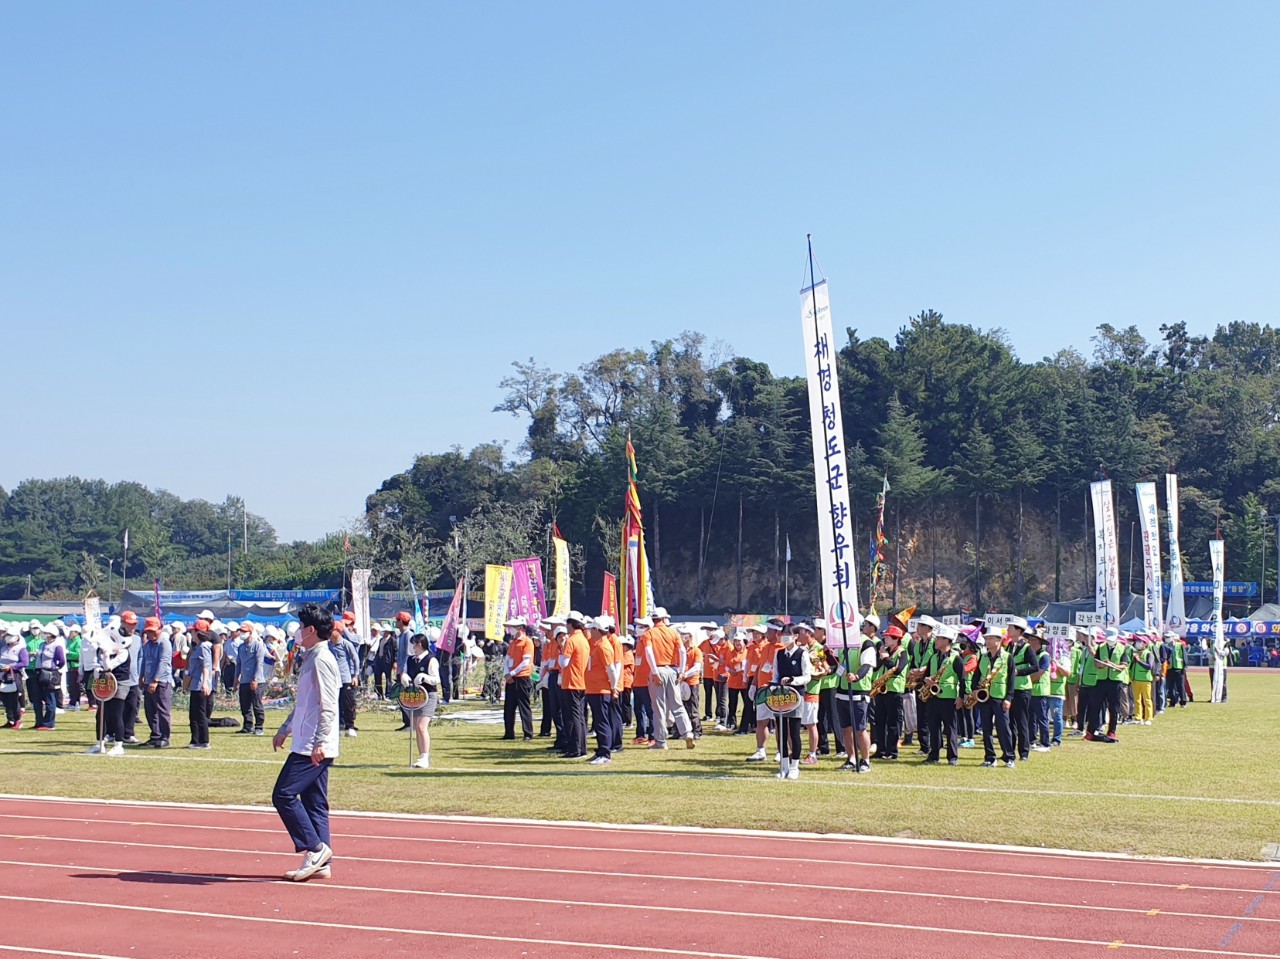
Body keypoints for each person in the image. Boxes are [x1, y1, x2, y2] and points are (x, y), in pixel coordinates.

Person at [272, 603, 340, 882]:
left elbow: (328, 705)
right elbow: (304, 703)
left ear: (311, 630)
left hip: (313, 745)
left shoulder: (322, 660)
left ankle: (315, 848)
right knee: (314, 803)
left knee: (283, 794)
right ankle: (322, 863)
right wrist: (285, 728)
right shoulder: (311, 657)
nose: (298, 632)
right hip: (307, 740)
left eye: (301, 627)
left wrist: (320, 742)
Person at [644, 607, 695, 750]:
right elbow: (682, 651)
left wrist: (654, 672)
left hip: (658, 669)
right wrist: (681, 671)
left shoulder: (649, 633)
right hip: (673, 670)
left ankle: (661, 741)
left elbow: (649, 652)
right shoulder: (673, 632)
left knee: (659, 708)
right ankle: (687, 732)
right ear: (663, 618)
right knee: (677, 705)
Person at [833, 617, 879, 772]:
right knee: (846, 729)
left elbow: (867, 665)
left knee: (860, 729)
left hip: (859, 691)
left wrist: (857, 676)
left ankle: (865, 760)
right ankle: (851, 758)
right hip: (842, 690)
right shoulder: (842, 643)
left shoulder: (866, 643)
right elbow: (836, 663)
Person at [920, 624, 967, 765]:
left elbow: (962, 679)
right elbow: (927, 674)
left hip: (948, 697)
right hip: (933, 697)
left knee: (950, 728)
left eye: (940, 638)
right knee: (933, 727)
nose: (937, 641)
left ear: (947, 641)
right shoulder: (933, 657)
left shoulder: (956, 658)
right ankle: (933, 755)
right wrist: (927, 680)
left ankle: (952, 757)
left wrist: (961, 697)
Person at [774, 625, 811, 781]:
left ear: (796, 636)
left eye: (788, 634)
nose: (785, 637)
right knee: (781, 731)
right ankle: (784, 766)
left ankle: (794, 766)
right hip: (780, 696)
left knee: (794, 731)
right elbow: (775, 675)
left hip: (796, 695)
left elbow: (807, 676)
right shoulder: (779, 654)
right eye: (783, 634)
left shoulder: (802, 653)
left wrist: (793, 680)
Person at [975, 626, 1014, 768]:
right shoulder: (983, 656)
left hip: (1000, 696)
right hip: (984, 696)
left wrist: (1008, 698)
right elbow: (977, 675)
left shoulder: (1007, 657)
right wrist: (974, 690)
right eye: (986, 638)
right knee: (986, 729)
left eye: (991, 638)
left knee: (1003, 728)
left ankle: (1009, 757)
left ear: (999, 640)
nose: (988, 641)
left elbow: (1011, 679)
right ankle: (990, 757)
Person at [584, 615, 619, 766]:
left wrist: (613, 687)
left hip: (601, 689)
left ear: (598, 630)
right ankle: (601, 751)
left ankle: (605, 753)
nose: (590, 631)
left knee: (602, 722)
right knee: (599, 722)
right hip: (594, 689)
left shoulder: (603, 647)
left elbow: (611, 669)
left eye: (592, 629)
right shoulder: (598, 645)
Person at [401, 633, 440, 769]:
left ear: (420, 645)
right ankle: (421, 756)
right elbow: (405, 672)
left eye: (415, 645)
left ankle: (425, 757)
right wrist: (404, 677)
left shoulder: (431, 659)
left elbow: (436, 679)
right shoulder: (410, 659)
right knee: (417, 727)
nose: (413, 648)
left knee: (422, 726)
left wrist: (425, 677)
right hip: (415, 696)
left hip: (428, 695)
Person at [871, 624, 908, 762]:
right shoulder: (885, 652)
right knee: (879, 721)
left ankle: (892, 751)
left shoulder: (902, 653)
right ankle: (880, 749)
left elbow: (898, 670)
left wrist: (886, 658)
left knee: (893, 722)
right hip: (881, 690)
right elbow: (876, 668)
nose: (885, 639)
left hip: (894, 691)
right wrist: (881, 657)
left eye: (887, 637)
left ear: (896, 639)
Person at [557, 612, 589, 758]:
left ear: (571, 624)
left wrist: (561, 651)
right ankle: (581, 747)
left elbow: (563, 662)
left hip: (571, 682)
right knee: (580, 716)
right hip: (581, 681)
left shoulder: (571, 640)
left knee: (572, 717)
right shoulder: (583, 639)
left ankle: (575, 748)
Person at [139, 616, 173, 748]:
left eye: (153, 631)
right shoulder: (147, 644)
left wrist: (155, 680)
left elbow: (163, 662)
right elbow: (144, 660)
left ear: (160, 629)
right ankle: (155, 735)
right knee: (150, 710)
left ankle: (165, 737)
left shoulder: (164, 643)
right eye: (148, 631)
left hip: (161, 681)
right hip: (148, 680)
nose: (150, 633)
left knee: (162, 710)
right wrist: (141, 676)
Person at [501, 617, 535, 741]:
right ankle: (509, 733)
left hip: (522, 677)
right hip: (511, 678)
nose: (510, 629)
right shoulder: (513, 643)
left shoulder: (527, 642)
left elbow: (526, 662)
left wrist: (512, 673)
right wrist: (507, 673)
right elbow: (507, 659)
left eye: (513, 627)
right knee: (509, 707)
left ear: (520, 627)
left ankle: (528, 733)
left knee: (523, 706)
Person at [328, 621, 360, 738]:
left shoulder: (346, 644)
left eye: (332, 630)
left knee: (347, 703)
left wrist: (355, 675)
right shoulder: (327, 645)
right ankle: (336, 726)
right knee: (333, 704)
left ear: (338, 631)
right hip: (331, 679)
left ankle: (349, 727)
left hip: (345, 678)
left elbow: (355, 659)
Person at [184, 624, 214, 750]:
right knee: (193, 715)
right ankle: (195, 739)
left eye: (192, 631)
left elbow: (206, 666)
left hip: (200, 685)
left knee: (200, 714)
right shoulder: (197, 647)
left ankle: (204, 740)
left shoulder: (204, 647)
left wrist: (205, 683)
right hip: (194, 685)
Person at [31, 623, 66, 730]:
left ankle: (49, 723)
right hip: (38, 672)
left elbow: (61, 661)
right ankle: (39, 722)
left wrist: (54, 669)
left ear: (51, 634)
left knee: (49, 698)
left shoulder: (57, 646)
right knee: (37, 698)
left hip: (50, 673)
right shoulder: (42, 645)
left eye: (45, 633)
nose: (43, 634)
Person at [235, 623, 268, 736]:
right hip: (244, 680)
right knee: (245, 705)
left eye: (244, 631)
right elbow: (239, 664)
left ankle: (259, 727)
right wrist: (236, 679)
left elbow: (259, 663)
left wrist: (255, 679)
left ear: (250, 632)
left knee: (256, 704)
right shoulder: (241, 647)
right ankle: (247, 726)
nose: (242, 633)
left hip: (257, 681)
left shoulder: (258, 645)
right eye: (241, 631)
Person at [1026, 627, 1052, 752]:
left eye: (1033, 640)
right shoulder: (1030, 655)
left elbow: (1039, 673)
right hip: (1030, 690)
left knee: (1042, 718)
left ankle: (1045, 743)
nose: (1030, 642)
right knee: (1031, 718)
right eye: (1030, 639)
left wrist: (1026, 680)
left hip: (1040, 690)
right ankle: (1032, 740)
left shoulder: (1044, 655)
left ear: (1039, 642)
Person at [1, 624, 29, 728]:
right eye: (7, 635)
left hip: (14, 675)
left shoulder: (21, 649)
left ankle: (17, 720)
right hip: (2, 675)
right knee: (4, 697)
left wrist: (12, 667)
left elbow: (25, 662)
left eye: (10, 635)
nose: (8, 637)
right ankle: (10, 719)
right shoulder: (3, 648)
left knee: (13, 698)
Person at [678, 625, 703, 739]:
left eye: (684, 634)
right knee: (680, 707)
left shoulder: (696, 650)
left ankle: (697, 731)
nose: (682, 636)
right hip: (680, 682)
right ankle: (681, 731)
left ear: (690, 636)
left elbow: (696, 667)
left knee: (692, 708)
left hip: (692, 682)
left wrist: (684, 674)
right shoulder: (679, 650)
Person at [393, 611, 415, 730]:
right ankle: (406, 722)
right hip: (400, 670)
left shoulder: (408, 635)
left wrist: (403, 672)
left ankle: (411, 722)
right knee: (400, 696)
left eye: (397, 620)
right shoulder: (401, 635)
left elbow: (408, 655)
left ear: (401, 621)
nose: (395, 623)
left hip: (405, 672)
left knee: (406, 697)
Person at [1130, 634, 1156, 725]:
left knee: (1147, 699)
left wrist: (1138, 660)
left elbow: (1149, 666)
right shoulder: (1135, 653)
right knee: (1137, 700)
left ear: (1145, 644)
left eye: (1140, 642)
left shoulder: (1149, 653)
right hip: (1135, 679)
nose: (1137, 643)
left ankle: (1148, 718)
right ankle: (1138, 717)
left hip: (1145, 680)